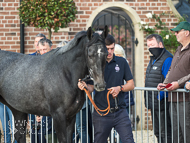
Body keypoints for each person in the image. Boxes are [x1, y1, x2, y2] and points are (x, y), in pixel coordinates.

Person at [78, 34, 135, 143]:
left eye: (112, 48)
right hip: (101, 113)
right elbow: (91, 88)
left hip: (120, 112)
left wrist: (120, 88)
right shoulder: (96, 64)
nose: (109, 51)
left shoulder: (121, 62)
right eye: (107, 48)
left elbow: (131, 84)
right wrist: (85, 86)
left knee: (129, 140)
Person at [157, 21, 190, 143]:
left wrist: (178, 84)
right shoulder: (178, 49)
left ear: (187, 33)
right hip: (173, 96)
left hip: (185, 98)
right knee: (176, 132)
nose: (175, 34)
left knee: (186, 132)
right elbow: (171, 69)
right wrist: (165, 83)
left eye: (177, 32)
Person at [145, 34, 172, 143]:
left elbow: (168, 80)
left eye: (152, 45)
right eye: (148, 46)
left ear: (160, 44)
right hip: (153, 103)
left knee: (165, 133)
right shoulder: (153, 59)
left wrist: (160, 97)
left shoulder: (167, 59)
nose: (150, 48)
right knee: (157, 132)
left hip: (162, 103)